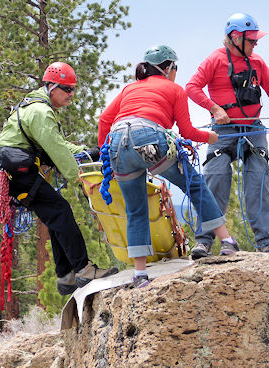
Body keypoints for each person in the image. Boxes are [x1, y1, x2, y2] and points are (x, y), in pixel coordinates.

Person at [98, 45, 238, 287]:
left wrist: (105, 157)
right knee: (194, 184)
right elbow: (187, 132)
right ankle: (226, 241)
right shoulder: (174, 89)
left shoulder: (129, 89)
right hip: (150, 139)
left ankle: (140, 274)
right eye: (176, 68)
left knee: (136, 210)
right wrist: (211, 138)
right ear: (168, 67)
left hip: (118, 144)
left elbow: (104, 120)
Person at [0, 61, 118, 295]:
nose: (72, 94)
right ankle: (83, 269)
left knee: (55, 214)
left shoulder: (36, 106)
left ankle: (66, 276)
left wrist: (84, 151)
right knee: (60, 211)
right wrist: (80, 180)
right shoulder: (41, 112)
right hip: (19, 173)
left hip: (15, 173)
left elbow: (58, 145)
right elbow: (58, 152)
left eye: (73, 89)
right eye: (67, 89)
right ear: (52, 87)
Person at [185, 13, 269, 256]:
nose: (255, 44)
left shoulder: (258, 62)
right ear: (236, 38)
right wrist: (214, 108)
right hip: (223, 132)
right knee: (214, 181)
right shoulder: (214, 60)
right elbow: (191, 87)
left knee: (258, 183)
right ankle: (204, 242)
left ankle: (264, 243)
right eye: (251, 40)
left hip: (253, 129)